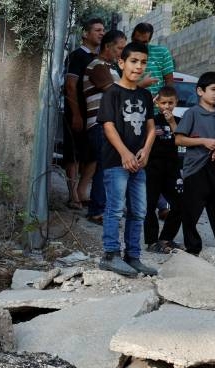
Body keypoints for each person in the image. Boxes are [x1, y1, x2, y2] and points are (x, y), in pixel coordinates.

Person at [96, 41, 158, 277]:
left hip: (139, 164)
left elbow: (151, 128)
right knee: (115, 209)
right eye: (134, 61)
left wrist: (146, 151)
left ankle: (133, 256)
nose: (139, 66)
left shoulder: (144, 94)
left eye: (143, 62)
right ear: (121, 63)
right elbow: (109, 127)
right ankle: (110, 255)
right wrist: (125, 153)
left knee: (139, 211)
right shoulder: (112, 92)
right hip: (117, 162)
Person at [174, 71, 215, 259]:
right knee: (191, 211)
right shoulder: (192, 113)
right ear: (200, 91)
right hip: (196, 169)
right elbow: (179, 139)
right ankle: (193, 249)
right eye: (213, 89)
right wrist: (203, 141)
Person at [83, 30, 126, 223]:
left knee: (108, 167)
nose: (121, 52)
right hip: (100, 124)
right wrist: (139, 86)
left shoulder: (112, 68)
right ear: (108, 46)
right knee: (104, 167)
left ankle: (103, 208)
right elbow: (113, 91)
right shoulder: (98, 66)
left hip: (109, 125)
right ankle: (97, 210)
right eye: (119, 48)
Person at [62, 18, 105, 210]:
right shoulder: (76, 56)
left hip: (94, 117)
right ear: (85, 34)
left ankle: (82, 192)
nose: (101, 33)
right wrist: (77, 115)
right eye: (97, 30)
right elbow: (70, 86)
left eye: (103, 30)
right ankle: (72, 196)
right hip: (76, 114)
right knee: (74, 155)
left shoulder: (99, 60)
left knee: (94, 155)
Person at [146, 87, 185, 252]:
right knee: (150, 205)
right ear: (157, 103)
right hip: (153, 168)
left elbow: (182, 140)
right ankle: (152, 241)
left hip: (172, 168)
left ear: (176, 102)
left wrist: (171, 122)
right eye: (163, 103)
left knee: (180, 203)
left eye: (170, 102)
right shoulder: (151, 120)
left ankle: (166, 238)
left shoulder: (178, 120)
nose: (167, 106)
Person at [131, 23, 175, 97]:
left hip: (156, 106)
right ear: (132, 38)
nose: (140, 45)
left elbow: (169, 81)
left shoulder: (162, 52)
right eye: (137, 41)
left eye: (144, 42)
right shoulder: (124, 54)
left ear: (149, 40)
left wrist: (165, 99)